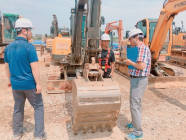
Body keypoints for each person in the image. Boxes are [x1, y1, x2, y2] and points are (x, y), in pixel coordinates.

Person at [4, 18, 46, 140]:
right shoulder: (29, 47)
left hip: (16, 85)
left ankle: (17, 133)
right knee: (38, 106)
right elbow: (34, 68)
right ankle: (39, 134)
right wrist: (38, 83)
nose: (31, 33)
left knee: (18, 107)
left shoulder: (8, 48)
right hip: (29, 84)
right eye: (30, 30)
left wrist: (9, 80)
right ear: (24, 30)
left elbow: (7, 67)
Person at [125, 28, 151, 140]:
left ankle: (137, 132)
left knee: (135, 105)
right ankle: (134, 123)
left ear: (136, 38)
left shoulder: (143, 49)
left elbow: (141, 66)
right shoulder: (137, 49)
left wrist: (130, 63)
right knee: (136, 103)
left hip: (139, 80)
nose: (130, 42)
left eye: (131, 39)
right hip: (135, 79)